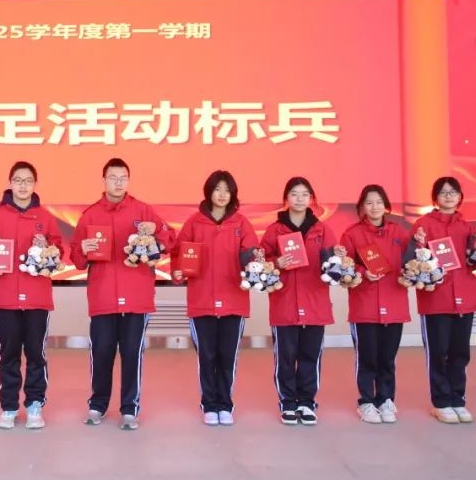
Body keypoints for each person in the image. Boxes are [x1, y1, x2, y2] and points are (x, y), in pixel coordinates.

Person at [69, 158, 173, 431]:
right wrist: (84, 249)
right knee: (101, 352)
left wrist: (156, 232)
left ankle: (129, 409)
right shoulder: (90, 215)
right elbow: (76, 259)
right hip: (103, 297)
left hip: (137, 297)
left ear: (128, 180)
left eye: (123, 177)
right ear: (103, 180)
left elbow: (169, 240)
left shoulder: (143, 210)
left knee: (132, 353)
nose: (118, 182)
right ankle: (98, 405)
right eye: (113, 177)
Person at [0, 162, 61, 430]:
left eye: (28, 180)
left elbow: (59, 249)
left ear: (35, 184)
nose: (23, 185)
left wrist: (47, 247)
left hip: (37, 297)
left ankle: (35, 405)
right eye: (18, 180)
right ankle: (9, 407)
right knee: (9, 354)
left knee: (36, 353)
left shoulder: (45, 217)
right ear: (10, 183)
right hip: (4, 296)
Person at [171, 170, 258, 426]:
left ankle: (225, 404)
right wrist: (178, 270)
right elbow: (178, 254)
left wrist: (254, 265)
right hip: (201, 301)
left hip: (234, 301)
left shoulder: (241, 223)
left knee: (227, 356)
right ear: (209, 192)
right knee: (206, 355)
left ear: (233, 194)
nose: (222, 195)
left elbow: (252, 254)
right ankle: (209, 404)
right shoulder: (194, 222)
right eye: (217, 189)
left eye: (227, 190)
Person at [260, 177, 336, 426]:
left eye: (305, 194)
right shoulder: (274, 230)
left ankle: (307, 402)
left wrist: (335, 264)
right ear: (286, 198)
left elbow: (333, 263)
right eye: (294, 194)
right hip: (285, 303)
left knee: (310, 355)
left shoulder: (323, 230)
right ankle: (287, 402)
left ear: (311, 198)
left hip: (315, 302)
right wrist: (276, 263)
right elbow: (260, 262)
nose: (300, 199)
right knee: (285, 356)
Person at [340, 184, 413, 424]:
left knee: (387, 359)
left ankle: (386, 399)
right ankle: (366, 402)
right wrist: (363, 272)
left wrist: (419, 244)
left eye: (379, 202)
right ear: (362, 206)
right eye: (369, 202)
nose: (374, 207)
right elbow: (344, 265)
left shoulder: (398, 232)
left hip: (394, 303)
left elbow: (411, 261)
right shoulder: (352, 234)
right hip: (365, 305)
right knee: (367, 358)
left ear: (386, 205)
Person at [410, 177, 476, 424]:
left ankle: (458, 399)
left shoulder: (468, 227)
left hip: (465, 297)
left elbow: (474, 261)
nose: (448, 196)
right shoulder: (423, 224)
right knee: (438, 352)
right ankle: (441, 402)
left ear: (460, 196)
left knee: (460, 352)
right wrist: (418, 243)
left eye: (453, 192)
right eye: (443, 192)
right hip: (436, 299)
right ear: (435, 198)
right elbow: (413, 259)